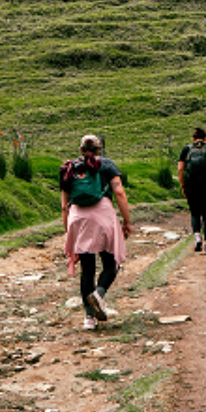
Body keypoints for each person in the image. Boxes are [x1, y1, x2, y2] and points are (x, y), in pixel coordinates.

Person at [60, 133, 131, 329]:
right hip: (103, 216)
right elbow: (119, 192)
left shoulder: (69, 168)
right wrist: (126, 221)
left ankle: (89, 319)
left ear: (80, 150)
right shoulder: (107, 165)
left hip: (78, 218)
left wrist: (69, 233)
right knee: (111, 262)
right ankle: (99, 294)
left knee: (87, 270)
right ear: (99, 150)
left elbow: (64, 206)